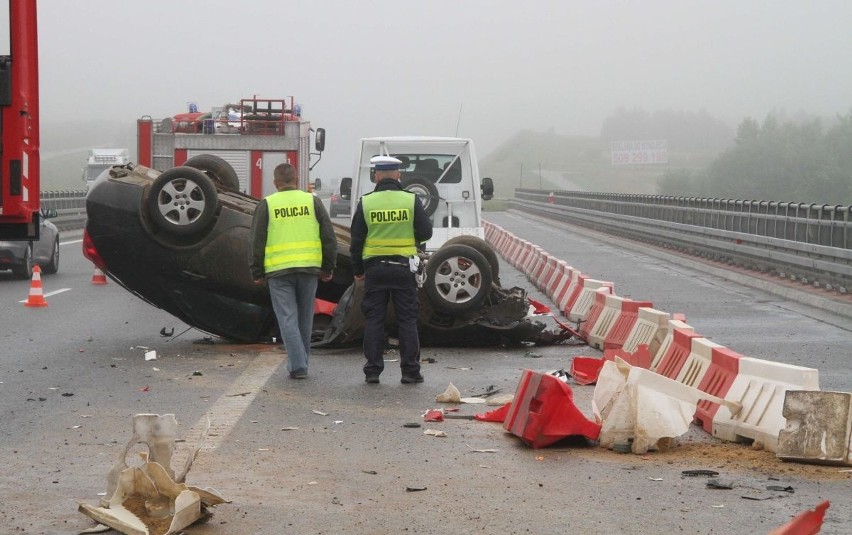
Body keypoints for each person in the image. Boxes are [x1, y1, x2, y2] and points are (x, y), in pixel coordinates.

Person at [350, 155, 433, 384]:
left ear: (376, 176)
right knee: (407, 320)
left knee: (374, 320)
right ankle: (410, 372)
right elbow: (426, 232)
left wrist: (358, 270)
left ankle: (373, 371)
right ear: (398, 175)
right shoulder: (410, 200)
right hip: (404, 268)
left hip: (375, 270)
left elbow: (356, 241)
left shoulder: (366, 202)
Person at [249, 163, 337, 379]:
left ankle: (298, 366)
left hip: (279, 271)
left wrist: (256, 271)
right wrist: (328, 266)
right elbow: (328, 236)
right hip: (308, 269)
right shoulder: (312, 201)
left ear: (275, 182)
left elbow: (256, 240)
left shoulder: (268, 204)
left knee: (287, 317)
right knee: (305, 319)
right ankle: (301, 363)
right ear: (296, 180)